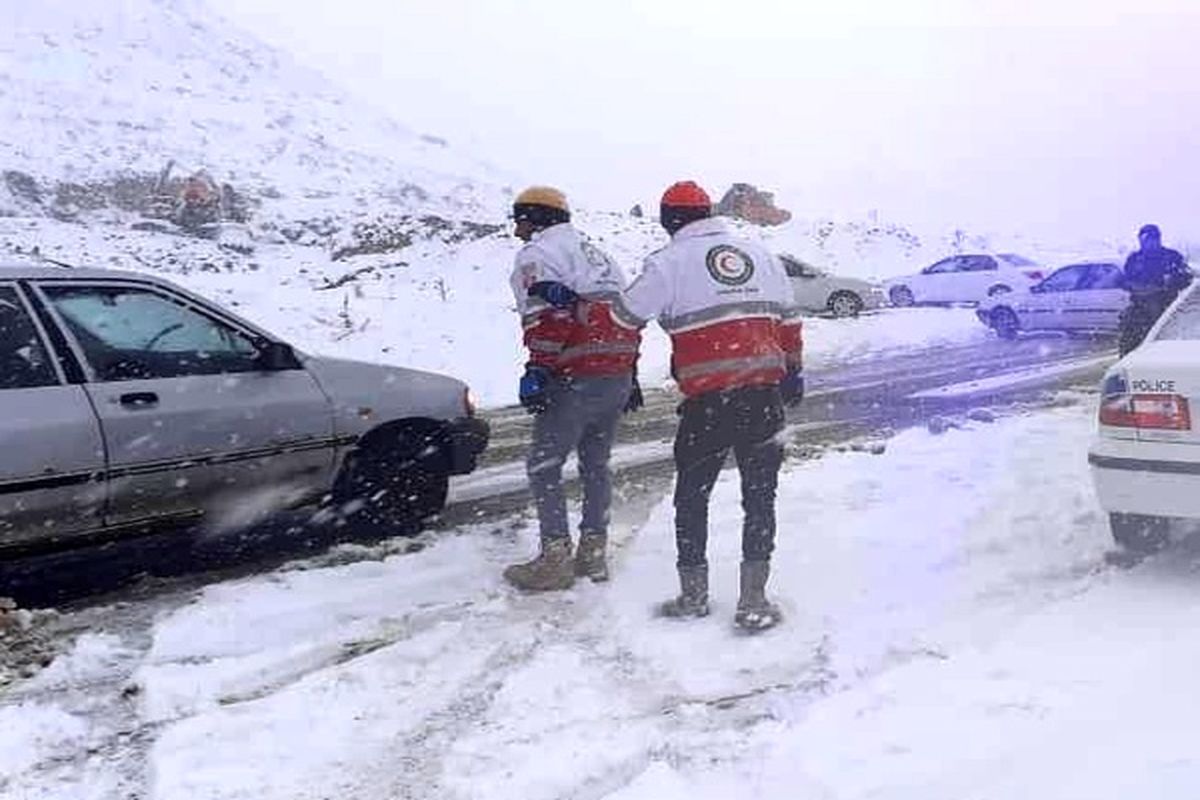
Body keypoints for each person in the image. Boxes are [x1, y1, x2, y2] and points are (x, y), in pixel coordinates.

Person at [618, 180, 804, 631]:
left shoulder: (666, 264)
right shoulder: (760, 255)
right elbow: (790, 321)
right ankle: (754, 601)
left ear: (669, 221)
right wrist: (793, 370)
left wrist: (626, 370)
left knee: (692, 497)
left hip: (707, 405)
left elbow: (625, 317)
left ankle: (694, 596)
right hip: (763, 398)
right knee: (760, 499)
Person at [503, 186, 642, 592]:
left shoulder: (538, 255)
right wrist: (630, 372)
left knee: (544, 465)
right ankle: (593, 553)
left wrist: (538, 369)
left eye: (520, 219)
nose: (517, 230)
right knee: (595, 464)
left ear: (535, 217)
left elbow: (550, 316)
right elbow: (628, 315)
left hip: (573, 374)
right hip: (614, 375)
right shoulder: (601, 257)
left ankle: (554, 558)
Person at [1119, 224, 1192, 356]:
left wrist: (1173, 281)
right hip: (1139, 310)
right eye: (1146, 239)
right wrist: (1131, 286)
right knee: (1131, 344)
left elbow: (1187, 278)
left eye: (1153, 238)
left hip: (1168, 309)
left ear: (1159, 239)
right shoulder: (1134, 259)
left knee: (1170, 347)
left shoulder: (1172, 256)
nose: (1150, 242)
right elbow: (1125, 280)